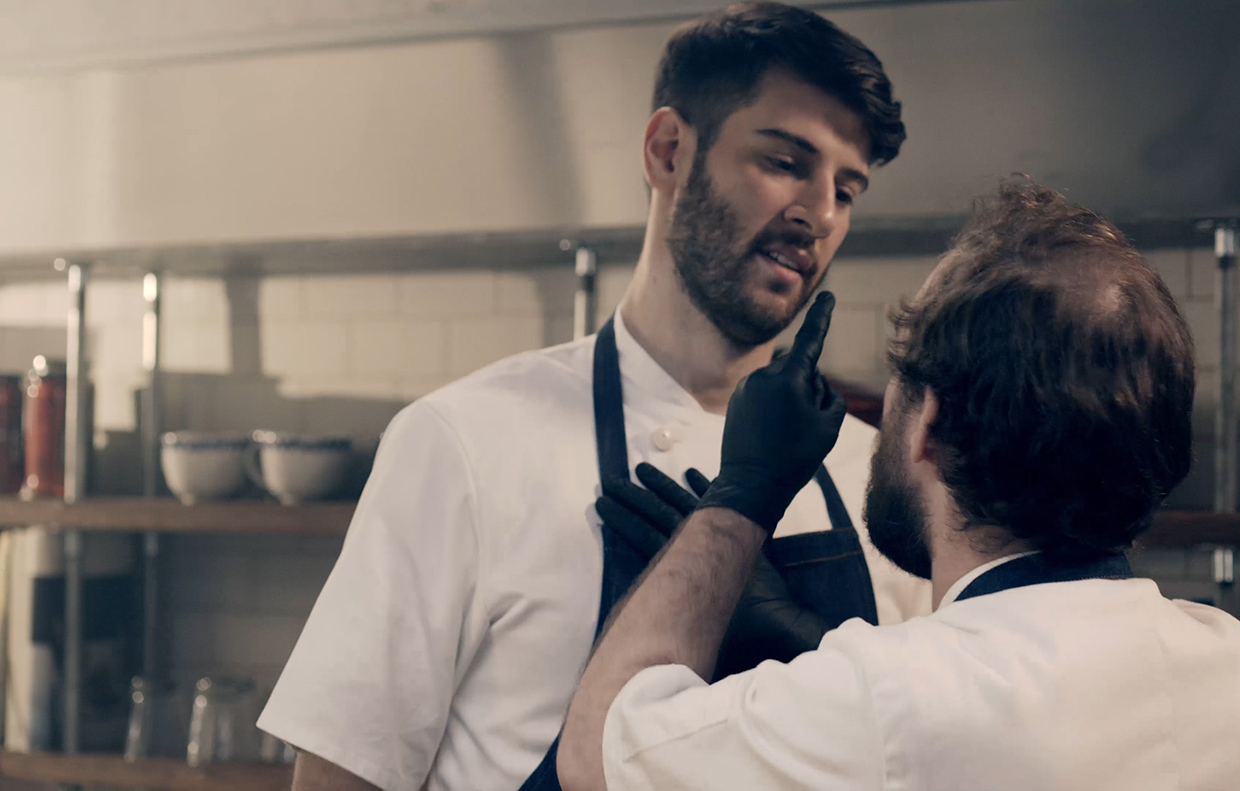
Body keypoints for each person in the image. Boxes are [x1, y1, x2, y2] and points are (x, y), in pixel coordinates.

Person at [256, 4, 931, 790]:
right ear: (669, 151)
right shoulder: (466, 443)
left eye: (847, 191)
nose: (818, 214)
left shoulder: (870, 477)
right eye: (786, 162)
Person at [556, 181, 1240, 791]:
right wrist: (810, 645)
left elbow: (595, 757)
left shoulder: (888, 701)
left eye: (901, 376)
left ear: (928, 421)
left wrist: (743, 493)